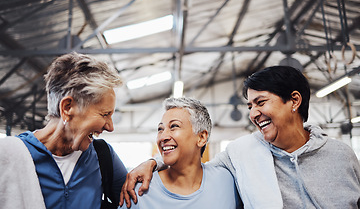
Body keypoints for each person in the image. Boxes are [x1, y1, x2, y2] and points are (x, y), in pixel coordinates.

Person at [120, 66, 360, 208]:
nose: (254, 114)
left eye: (261, 102)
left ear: (294, 101)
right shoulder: (242, 153)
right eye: (249, 106)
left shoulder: (342, 156)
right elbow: (191, 166)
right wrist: (152, 163)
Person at [17, 52, 128, 209]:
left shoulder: (103, 156)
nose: (110, 127)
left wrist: (154, 164)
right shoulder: (15, 156)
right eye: (104, 114)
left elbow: (139, 202)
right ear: (67, 107)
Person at [119, 97, 241, 208]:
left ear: (201, 137)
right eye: (160, 129)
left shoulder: (227, 181)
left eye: (174, 126)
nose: (163, 137)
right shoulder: (139, 191)